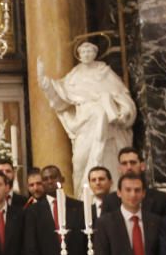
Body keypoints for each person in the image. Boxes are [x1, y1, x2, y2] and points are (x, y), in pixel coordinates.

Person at [36, 41, 137, 187]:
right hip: (84, 124)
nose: (86, 54)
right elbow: (60, 97)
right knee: (80, 164)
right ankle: (83, 197)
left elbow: (123, 96)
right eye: (83, 52)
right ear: (79, 55)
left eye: (89, 51)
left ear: (95, 53)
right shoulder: (74, 76)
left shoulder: (105, 72)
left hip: (108, 128)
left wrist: (124, 110)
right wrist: (45, 82)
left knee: (107, 163)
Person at [24, 167, 87, 255]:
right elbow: (31, 249)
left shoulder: (79, 207)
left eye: (53, 177)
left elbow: (86, 242)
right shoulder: (33, 212)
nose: (49, 181)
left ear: (62, 179)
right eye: (45, 179)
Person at [101, 147, 166, 217]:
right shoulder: (109, 201)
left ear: (142, 166)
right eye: (124, 163)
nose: (129, 167)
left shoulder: (161, 199)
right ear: (119, 168)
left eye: (133, 163)